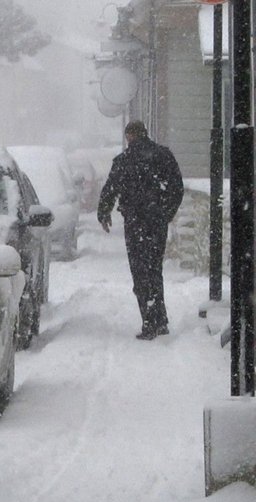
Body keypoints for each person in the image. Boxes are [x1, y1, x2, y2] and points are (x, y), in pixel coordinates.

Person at [98, 120, 184, 339]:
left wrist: (104, 213)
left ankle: (149, 320)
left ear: (129, 136)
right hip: (156, 221)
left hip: (135, 223)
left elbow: (110, 188)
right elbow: (177, 187)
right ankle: (160, 320)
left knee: (140, 272)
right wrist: (166, 212)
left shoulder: (124, 161)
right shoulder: (163, 156)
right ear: (145, 133)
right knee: (155, 269)